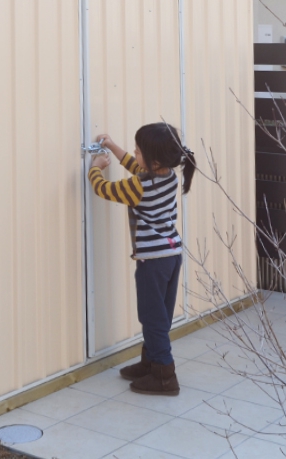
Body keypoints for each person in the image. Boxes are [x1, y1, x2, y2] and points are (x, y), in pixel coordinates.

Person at [88, 123, 195, 396]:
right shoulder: (169, 176)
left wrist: (95, 168)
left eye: (138, 150)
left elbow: (104, 189)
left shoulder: (139, 186)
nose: (134, 153)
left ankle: (164, 377)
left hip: (153, 262)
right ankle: (151, 363)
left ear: (154, 159)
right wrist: (112, 146)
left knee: (151, 317)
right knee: (159, 316)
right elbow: (137, 168)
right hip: (171, 255)